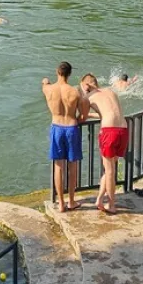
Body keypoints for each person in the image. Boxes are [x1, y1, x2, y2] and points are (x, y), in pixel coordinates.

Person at [43, 62, 87, 213]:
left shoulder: (48, 89)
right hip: (71, 127)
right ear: (70, 74)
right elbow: (83, 115)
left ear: (57, 72)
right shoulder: (75, 91)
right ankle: (72, 201)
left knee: (58, 166)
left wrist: (45, 81)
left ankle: (61, 204)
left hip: (56, 127)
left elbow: (45, 84)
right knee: (73, 166)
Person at [81, 73, 127, 214]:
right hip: (123, 129)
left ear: (86, 85)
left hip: (109, 131)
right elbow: (106, 112)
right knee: (110, 168)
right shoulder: (110, 91)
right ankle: (100, 199)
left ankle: (111, 204)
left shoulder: (88, 97)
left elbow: (81, 117)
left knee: (110, 171)